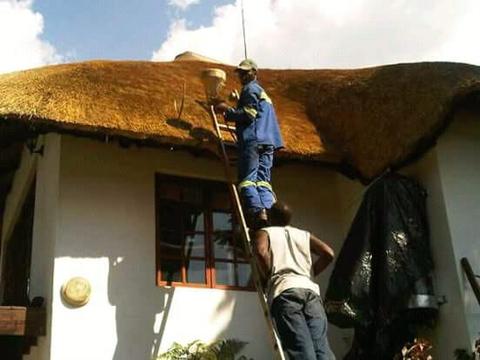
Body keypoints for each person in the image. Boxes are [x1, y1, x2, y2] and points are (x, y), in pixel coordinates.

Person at [253, 201, 336, 360]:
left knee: (301, 349)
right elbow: (328, 253)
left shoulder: (265, 232)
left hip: (285, 292)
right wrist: (310, 273)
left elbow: (260, 252)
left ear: (270, 218)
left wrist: (268, 275)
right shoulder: (303, 234)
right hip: (310, 292)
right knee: (322, 348)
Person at [214, 59, 284, 228]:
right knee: (263, 180)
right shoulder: (263, 93)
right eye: (241, 73)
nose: (243, 76)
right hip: (268, 142)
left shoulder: (250, 89)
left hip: (253, 140)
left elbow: (249, 114)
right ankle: (269, 211)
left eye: (246, 72)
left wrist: (226, 110)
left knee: (247, 180)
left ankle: (256, 210)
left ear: (254, 72)